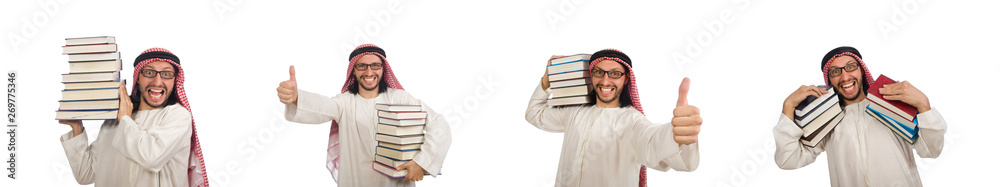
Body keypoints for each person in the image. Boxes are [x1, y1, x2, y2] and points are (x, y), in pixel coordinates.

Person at [276, 44, 451, 186]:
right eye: (362, 66)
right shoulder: (344, 103)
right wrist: (297, 97)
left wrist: (421, 162)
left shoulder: (400, 98)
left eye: (375, 65)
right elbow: (321, 107)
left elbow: (438, 123)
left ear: (383, 69)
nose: (369, 72)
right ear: (354, 70)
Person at [524, 49, 701, 186]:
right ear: (591, 76)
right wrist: (546, 81)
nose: (605, 81)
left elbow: (654, 141)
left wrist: (677, 135)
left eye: (615, 73)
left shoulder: (633, 121)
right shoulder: (575, 112)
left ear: (626, 79)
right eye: (599, 72)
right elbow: (534, 113)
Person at [774, 46, 946, 186]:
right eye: (835, 72)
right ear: (829, 80)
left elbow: (931, 150)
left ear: (862, 70)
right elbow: (788, 159)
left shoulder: (890, 105)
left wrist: (924, 105)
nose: (845, 76)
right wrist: (788, 106)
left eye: (850, 67)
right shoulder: (824, 119)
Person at [59, 47, 209, 187]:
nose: (157, 81)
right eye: (149, 72)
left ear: (175, 80)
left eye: (166, 74)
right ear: (138, 78)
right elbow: (85, 175)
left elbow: (151, 158)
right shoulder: (115, 121)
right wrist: (77, 127)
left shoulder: (178, 116)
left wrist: (124, 118)